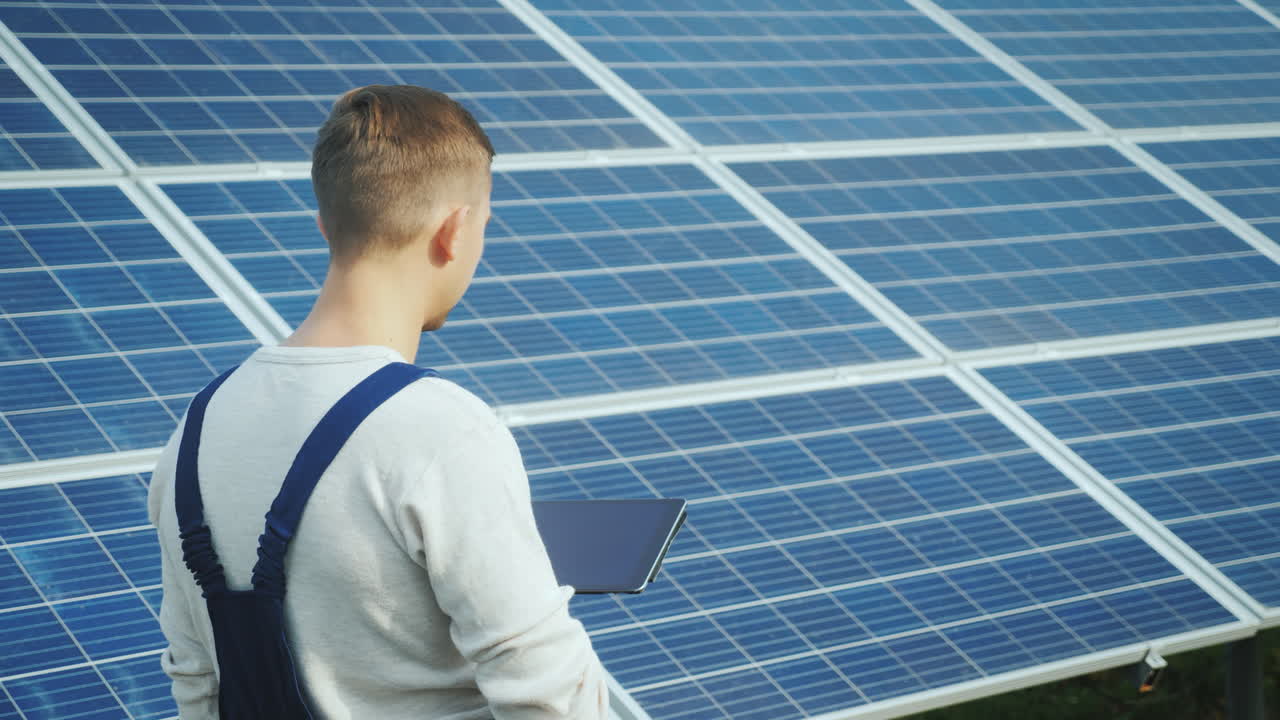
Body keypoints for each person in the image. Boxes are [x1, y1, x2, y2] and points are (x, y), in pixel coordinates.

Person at [147, 85, 611, 720]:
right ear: (453, 231)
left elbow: (197, 683)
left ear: (326, 226)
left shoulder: (194, 433)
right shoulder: (444, 433)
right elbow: (551, 699)